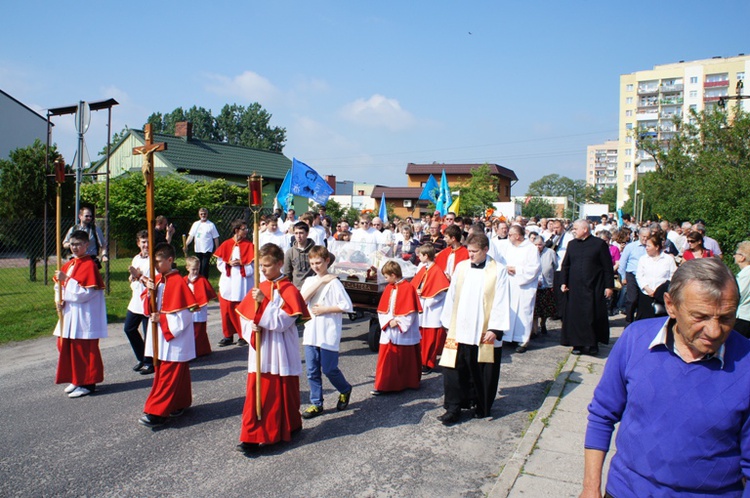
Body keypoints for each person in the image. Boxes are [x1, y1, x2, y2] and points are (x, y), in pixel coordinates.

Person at [581, 258, 750, 498]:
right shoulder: (635, 340)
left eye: (725, 318)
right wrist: (590, 489)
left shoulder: (746, 364)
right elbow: (602, 414)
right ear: (671, 305)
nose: (714, 331)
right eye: (700, 317)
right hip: (625, 491)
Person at [236, 243, 310, 455]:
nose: (263, 270)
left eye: (267, 265)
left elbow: (283, 323)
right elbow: (244, 317)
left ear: (279, 264)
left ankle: (287, 427)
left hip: (280, 348)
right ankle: (251, 436)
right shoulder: (258, 287)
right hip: (261, 347)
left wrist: (264, 304)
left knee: (283, 390)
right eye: (261, 266)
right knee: (256, 392)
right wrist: (251, 325)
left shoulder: (289, 289)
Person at [438, 233, 509, 425]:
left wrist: (495, 328)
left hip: (483, 329)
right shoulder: (461, 268)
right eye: (468, 251)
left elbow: (502, 299)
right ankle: (453, 408)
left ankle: (481, 404)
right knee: (453, 369)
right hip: (460, 327)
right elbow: (451, 295)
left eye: (475, 252)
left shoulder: (498, 270)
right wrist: (447, 322)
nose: (470, 255)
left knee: (481, 370)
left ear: (486, 250)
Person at [139, 243, 199, 428]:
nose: (155, 265)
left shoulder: (178, 282)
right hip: (160, 336)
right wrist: (150, 293)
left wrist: (162, 319)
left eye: (158, 261)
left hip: (174, 338)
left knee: (168, 374)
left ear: (170, 260)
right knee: (168, 371)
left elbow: (186, 314)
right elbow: (147, 307)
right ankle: (179, 402)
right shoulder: (157, 279)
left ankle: (157, 411)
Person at [299, 246, 354, 419]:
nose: (315, 266)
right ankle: (316, 403)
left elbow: (347, 306)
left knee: (329, 368)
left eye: (319, 263)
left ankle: (345, 388)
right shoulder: (310, 281)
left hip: (327, 330)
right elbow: (301, 299)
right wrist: (320, 281)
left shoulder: (334, 282)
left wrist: (326, 309)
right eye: (312, 263)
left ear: (327, 261)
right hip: (311, 331)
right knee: (312, 370)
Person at [54, 230, 107, 399]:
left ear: (86, 245)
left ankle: (88, 384)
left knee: (84, 350)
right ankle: (76, 379)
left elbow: (85, 294)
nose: (75, 247)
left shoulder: (89, 265)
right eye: (72, 244)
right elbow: (58, 286)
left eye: (78, 244)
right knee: (65, 345)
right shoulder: (69, 264)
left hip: (84, 315)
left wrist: (67, 281)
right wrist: (58, 299)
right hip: (70, 313)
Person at [560, 220, 614, 356]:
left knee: (592, 315)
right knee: (575, 317)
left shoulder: (599, 244)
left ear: (585, 229)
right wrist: (563, 282)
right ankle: (576, 344)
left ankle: (593, 344)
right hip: (575, 288)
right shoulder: (572, 244)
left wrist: (609, 286)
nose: (573, 231)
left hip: (594, 286)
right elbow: (566, 265)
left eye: (576, 228)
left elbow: (607, 267)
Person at [372, 260, 423, 395]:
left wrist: (399, 321)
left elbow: (411, 311)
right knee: (386, 358)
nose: (385, 279)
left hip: (402, 330)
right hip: (389, 329)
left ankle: (406, 383)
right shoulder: (389, 287)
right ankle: (384, 385)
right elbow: (382, 310)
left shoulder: (408, 288)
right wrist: (388, 321)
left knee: (404, 359)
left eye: (387, 276)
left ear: (394, 275)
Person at [214, 219, 255, 347]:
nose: (246, 231)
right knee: (226, 310)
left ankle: (243, 335)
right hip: (228, 281)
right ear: (237, 230)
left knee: (240, 310)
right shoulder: (226, 244)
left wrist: (242, 263)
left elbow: (254, 265)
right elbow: (219, 262)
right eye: (244, 229)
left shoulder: (249, 245)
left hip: (242, 282)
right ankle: (228, 335)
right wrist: (228, 263)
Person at [412, 243, 450, 373]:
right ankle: (419, 360)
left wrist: (428, 300)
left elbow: (442, 291)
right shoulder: (424, 268)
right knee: (421, 337)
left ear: (426, 256)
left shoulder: (437, 270)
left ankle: (428, 363)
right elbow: (418, 284)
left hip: (431, 309)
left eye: (420, 255)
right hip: (422, 307)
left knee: (430, 339)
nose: (418, 256)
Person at [503, 226, 541, 353]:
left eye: (510, 235)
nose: (508, 237)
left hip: (524, 286)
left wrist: (517, 270)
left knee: (523, 312)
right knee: (510, 310)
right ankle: (508, 337)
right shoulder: (509, 247)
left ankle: (523, 340)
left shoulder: (530, 249)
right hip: (509, 284)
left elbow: (535, 268)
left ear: (517, 236)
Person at [124, 230, 154, 375]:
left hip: (148, 300)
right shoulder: (136, 258)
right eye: (143, 242)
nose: (146, 245)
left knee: (148, 332)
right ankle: (141, 357)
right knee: (129, 328)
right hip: (136, 299)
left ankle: (150, 362)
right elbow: (134, 276)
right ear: (138, 244)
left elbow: (154, 280)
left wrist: (139, 276)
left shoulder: (154, 259)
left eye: (148, 242)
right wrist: (133, 277)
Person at [635, 232, 676, 320]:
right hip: (646, 294)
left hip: (662, 296)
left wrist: (660, 290)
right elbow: (639, 276)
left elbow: (673, 276)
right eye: (646, 246)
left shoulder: (668, 259)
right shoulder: (643, 259)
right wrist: (647, 289)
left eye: (649, 246)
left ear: (657, 247)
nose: (646, 248)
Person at [184, 256, 217, 357]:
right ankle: (191, 350)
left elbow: (206, 294)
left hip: (200, 310)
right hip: (189, 309)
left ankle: (201, 351)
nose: (196, 271)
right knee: (189, 331)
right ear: (187, 268)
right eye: (193, 269)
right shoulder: (184, 280)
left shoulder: (202, 280)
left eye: (197, 269)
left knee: (199, 331)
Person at [618, 227, 649, 322]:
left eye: (647, 237)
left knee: (643, 300)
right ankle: (629, 319)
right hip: (632, 275)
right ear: (639, 235)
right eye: (643, 236)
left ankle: (640, 320)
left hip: (645, 276)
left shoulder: (650, 247)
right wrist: (623, 277)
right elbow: (622, 263)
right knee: (632, 299)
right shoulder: (631, 247)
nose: (645, 239)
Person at [532, 235, 557, 336]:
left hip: (547, 284)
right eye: (536, 245)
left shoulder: (550, 252)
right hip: (534, 284)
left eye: (540, 244)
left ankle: (543, 323)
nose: (538, 247)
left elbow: (555, 265)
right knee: (535, 309)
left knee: (546, 309)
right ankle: (534, 330)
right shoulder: (531, 253)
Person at [184, 208, 220, 279]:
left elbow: (215, 238)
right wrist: (186, 244)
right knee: (197, 266)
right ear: (199, 214)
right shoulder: (196, 224)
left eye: (204, 214)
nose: (203, 215)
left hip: (207, 249)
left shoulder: (211, 225)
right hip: (198, 248)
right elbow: (191, 236)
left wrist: (217, 249)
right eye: (201, 214)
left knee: (204, 267)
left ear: (207, 214)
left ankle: (204, 281)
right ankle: (197, 280)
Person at [283, 221, 316, 288]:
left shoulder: (315, 250)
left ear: (307, 234)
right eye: (296, 233)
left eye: (301, 233)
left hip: (313, 287)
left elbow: (331, 258)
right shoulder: (290, 252)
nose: (298, 236)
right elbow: (287, 274)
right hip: (297, 288)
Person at [734, 241, 750, 338]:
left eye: (736, 254)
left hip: (743, 317)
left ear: (742, 257)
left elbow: (737, 295)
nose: (734, 256)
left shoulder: (745, 275)